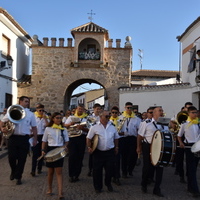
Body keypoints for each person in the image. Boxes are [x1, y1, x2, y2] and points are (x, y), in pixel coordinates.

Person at [0, 96, 37, 185]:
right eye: (26, 101)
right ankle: (13, 171)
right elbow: (2, 121)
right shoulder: (11, 110)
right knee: (11, 157)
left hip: (24, 138)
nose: (27, 103)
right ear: (20, 101)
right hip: (13, 137)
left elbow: (34, 127)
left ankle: (18, 177)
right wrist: (2, 128)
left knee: (22, 159)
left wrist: (35, 139)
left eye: (28, 102)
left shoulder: (30, 114)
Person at [87, 110, 119, 193]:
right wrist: (89, 147)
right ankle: (98, 187)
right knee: (97, 171)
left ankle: (108, 184)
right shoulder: (94, 127)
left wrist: (116, 147)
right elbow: (89, 138)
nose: (108, 118)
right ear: (101, 117)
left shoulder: (112, 126)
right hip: (98, 152)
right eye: (106, 116)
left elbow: (116, 137)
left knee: (110, 170)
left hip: (110, 151)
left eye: (109, 116)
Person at [137, 106, 166, 197]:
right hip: (148, 146)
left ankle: (157, 189)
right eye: (159, 111)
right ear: (154, 113)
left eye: (162, 110)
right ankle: (144, 184)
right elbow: (140, 136)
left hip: (160, 147)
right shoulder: (146, 123)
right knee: (147, 167)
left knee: (160, 168)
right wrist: (139, 147)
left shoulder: (164, 123)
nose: (161, 112)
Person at [42, 112, 69, 200]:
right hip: (50, 150)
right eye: (57, 118)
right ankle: (49, 188)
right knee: (50, 172)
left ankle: (60, 192)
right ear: (53, 119)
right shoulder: (48, 129)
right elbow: (44, 141)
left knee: (59, 171)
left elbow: (67, 140)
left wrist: (65, 146)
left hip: (59, 150)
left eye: (60, 118)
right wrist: (43, 150)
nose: (59, 119)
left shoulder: (63, 129)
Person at [177, 106, 200, 197]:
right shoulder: (184, 124)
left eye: (196, 112)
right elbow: (179, 135)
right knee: (192, 168)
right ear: (189, 114)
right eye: (193, 112)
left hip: (198, 146)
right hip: (189, 146)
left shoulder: (198, 123)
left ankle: (190, 186)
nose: (195, 114)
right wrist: (181, 143)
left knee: (193, 168)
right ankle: (195, 190)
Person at [64, 104, 88, 182]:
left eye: (82, 109)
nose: (80, 110)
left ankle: (77, 175)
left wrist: (83, 128)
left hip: (81, 138)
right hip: (72, 138)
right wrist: (70, 124)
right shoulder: (71, 117)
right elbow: (65, 125)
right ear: (77, 109)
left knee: (80, 157)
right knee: (72, 156)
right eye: (79, 109)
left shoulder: (86, 119)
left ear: (84, 110)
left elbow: (89, 129)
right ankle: (71, 175)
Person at [119, 102, 141, 178]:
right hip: (123, 138)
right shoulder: (120, 117)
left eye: (130, 108)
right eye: (127, 107)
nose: (129, 109)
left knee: (133, 156)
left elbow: (139, 130)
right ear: (125, 108)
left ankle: (130, 169)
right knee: (124, 156)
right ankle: (124, 172)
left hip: (133, 138)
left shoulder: (137, 119)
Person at [30, 104, 49, 177]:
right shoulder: (33, 117)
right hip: (35, 136)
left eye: (42, 110)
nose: (41, 112)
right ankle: (33, 170)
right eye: (40, 110)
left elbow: (48, 126)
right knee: (35, 154)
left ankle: (39, 168)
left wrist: (45, 119)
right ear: (37, 110)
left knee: (42, 153)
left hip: (43, 137)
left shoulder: (45, 117)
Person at [87, 103, 102, 177]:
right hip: (92, 136)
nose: (98, 110)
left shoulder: (101, 117)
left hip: (100, 137)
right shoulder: (90, 117)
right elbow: (88, 126)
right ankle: (91, 169)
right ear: (94, 109)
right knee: (92, 153)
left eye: (99, 109)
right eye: (97, 109)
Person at [109, 106, 122, 186]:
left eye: (116, 113)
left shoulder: (121, 121)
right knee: (110, 161)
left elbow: (124, 131)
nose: (114, 114)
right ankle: (110, 176)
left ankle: (116, 177)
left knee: (117, 161)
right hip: (110, 142)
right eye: (113, 112)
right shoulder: (108, 121)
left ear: (118, 113)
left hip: (118, 141)